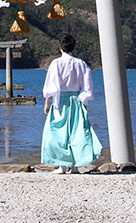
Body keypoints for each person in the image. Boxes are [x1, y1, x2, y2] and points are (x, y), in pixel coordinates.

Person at [41, 34, 102, 173]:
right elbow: (87, 86)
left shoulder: (56, 63)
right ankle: (74, 166)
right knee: (76, 132)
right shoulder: (81, 63)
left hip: (60, 100)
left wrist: (46, 103)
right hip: (76, 100)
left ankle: (62, 166)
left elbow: (50, 86)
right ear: (73, 47)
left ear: (60, 48)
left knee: (57, 133)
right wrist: (84, 102)